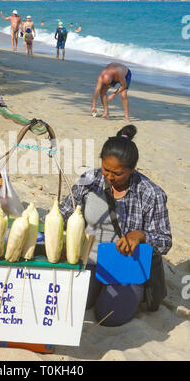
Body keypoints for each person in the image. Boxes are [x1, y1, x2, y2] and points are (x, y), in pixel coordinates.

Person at [59, 124, 172, 327]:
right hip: (87, 261)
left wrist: (141, 236)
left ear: (132, 169)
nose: (109, 177)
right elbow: (64, 213)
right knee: (70, 304)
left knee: (109, 317)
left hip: (125, 267)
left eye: (118, 173)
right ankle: (97, 287)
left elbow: (165, 241)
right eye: (106, 169)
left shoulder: (150, 193)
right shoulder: (89, 181)